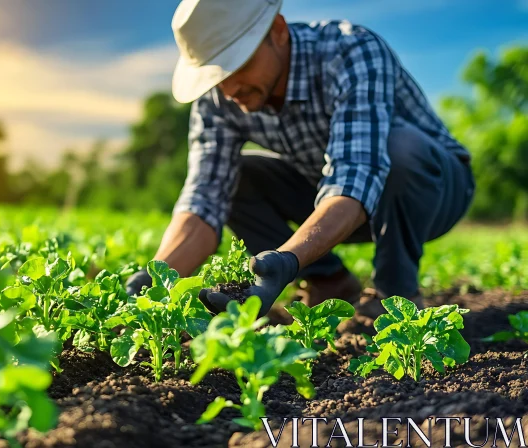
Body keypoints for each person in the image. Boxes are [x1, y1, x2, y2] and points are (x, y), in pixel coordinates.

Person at [125, 0, 475, 322]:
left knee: (400, 149)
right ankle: (330, 280)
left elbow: (357, 173)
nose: (229, 89)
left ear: (277, 31)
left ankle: (394, 293)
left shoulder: (350, 51)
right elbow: (203, 200)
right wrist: (154, 282)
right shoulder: (219, 99)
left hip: (433, 190)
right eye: (215, 76)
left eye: (237, 64)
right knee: (238, 178)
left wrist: (286, 260)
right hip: (329, 194)